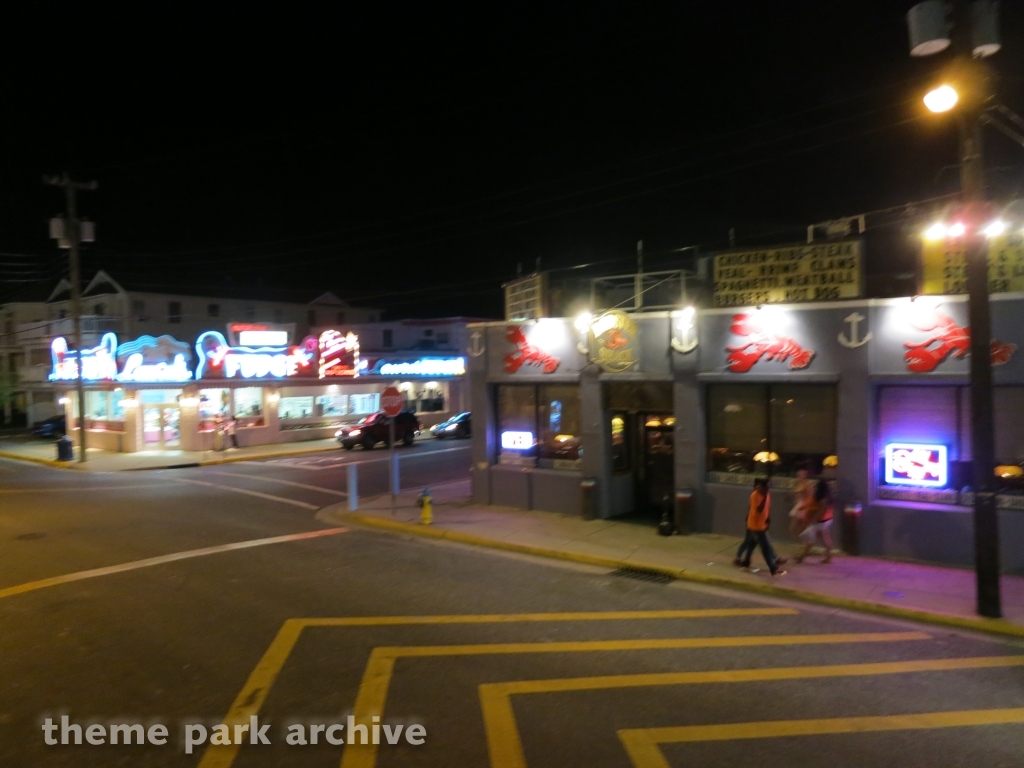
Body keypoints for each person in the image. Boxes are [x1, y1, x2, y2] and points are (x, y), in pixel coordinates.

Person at [734, 478, 787, 577]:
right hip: (755, 526)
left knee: (751, 544)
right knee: (765, 548)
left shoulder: (767, 494)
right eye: (766, 488)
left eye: (768, 488)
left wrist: (768, 519)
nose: (767, 490)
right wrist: (765, 496)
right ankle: (773, 568)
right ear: (760, 487)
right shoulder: (755, 495)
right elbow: (759, 509)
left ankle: (746, 561)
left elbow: (767, 508)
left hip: (761, 525)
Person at [795, 479, 835, 564]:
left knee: (811, 539)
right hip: (828, 519)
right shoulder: (828, 497)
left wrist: (813, 520)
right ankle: (828, 557)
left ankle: (802, 557)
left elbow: (821, 512)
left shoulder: (821, 499)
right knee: (825, 538)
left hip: (821, 522)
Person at [789, 468, 814, 538]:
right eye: (798, 475)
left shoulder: (807, 485)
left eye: (800, 475)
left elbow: (809, 495)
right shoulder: (798, 484)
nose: (798, 477)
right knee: (796, 526)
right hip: (799, 505)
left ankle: (805, 540)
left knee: (801, 524)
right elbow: (794, 494)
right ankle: (803, 539)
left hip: (803, 505)